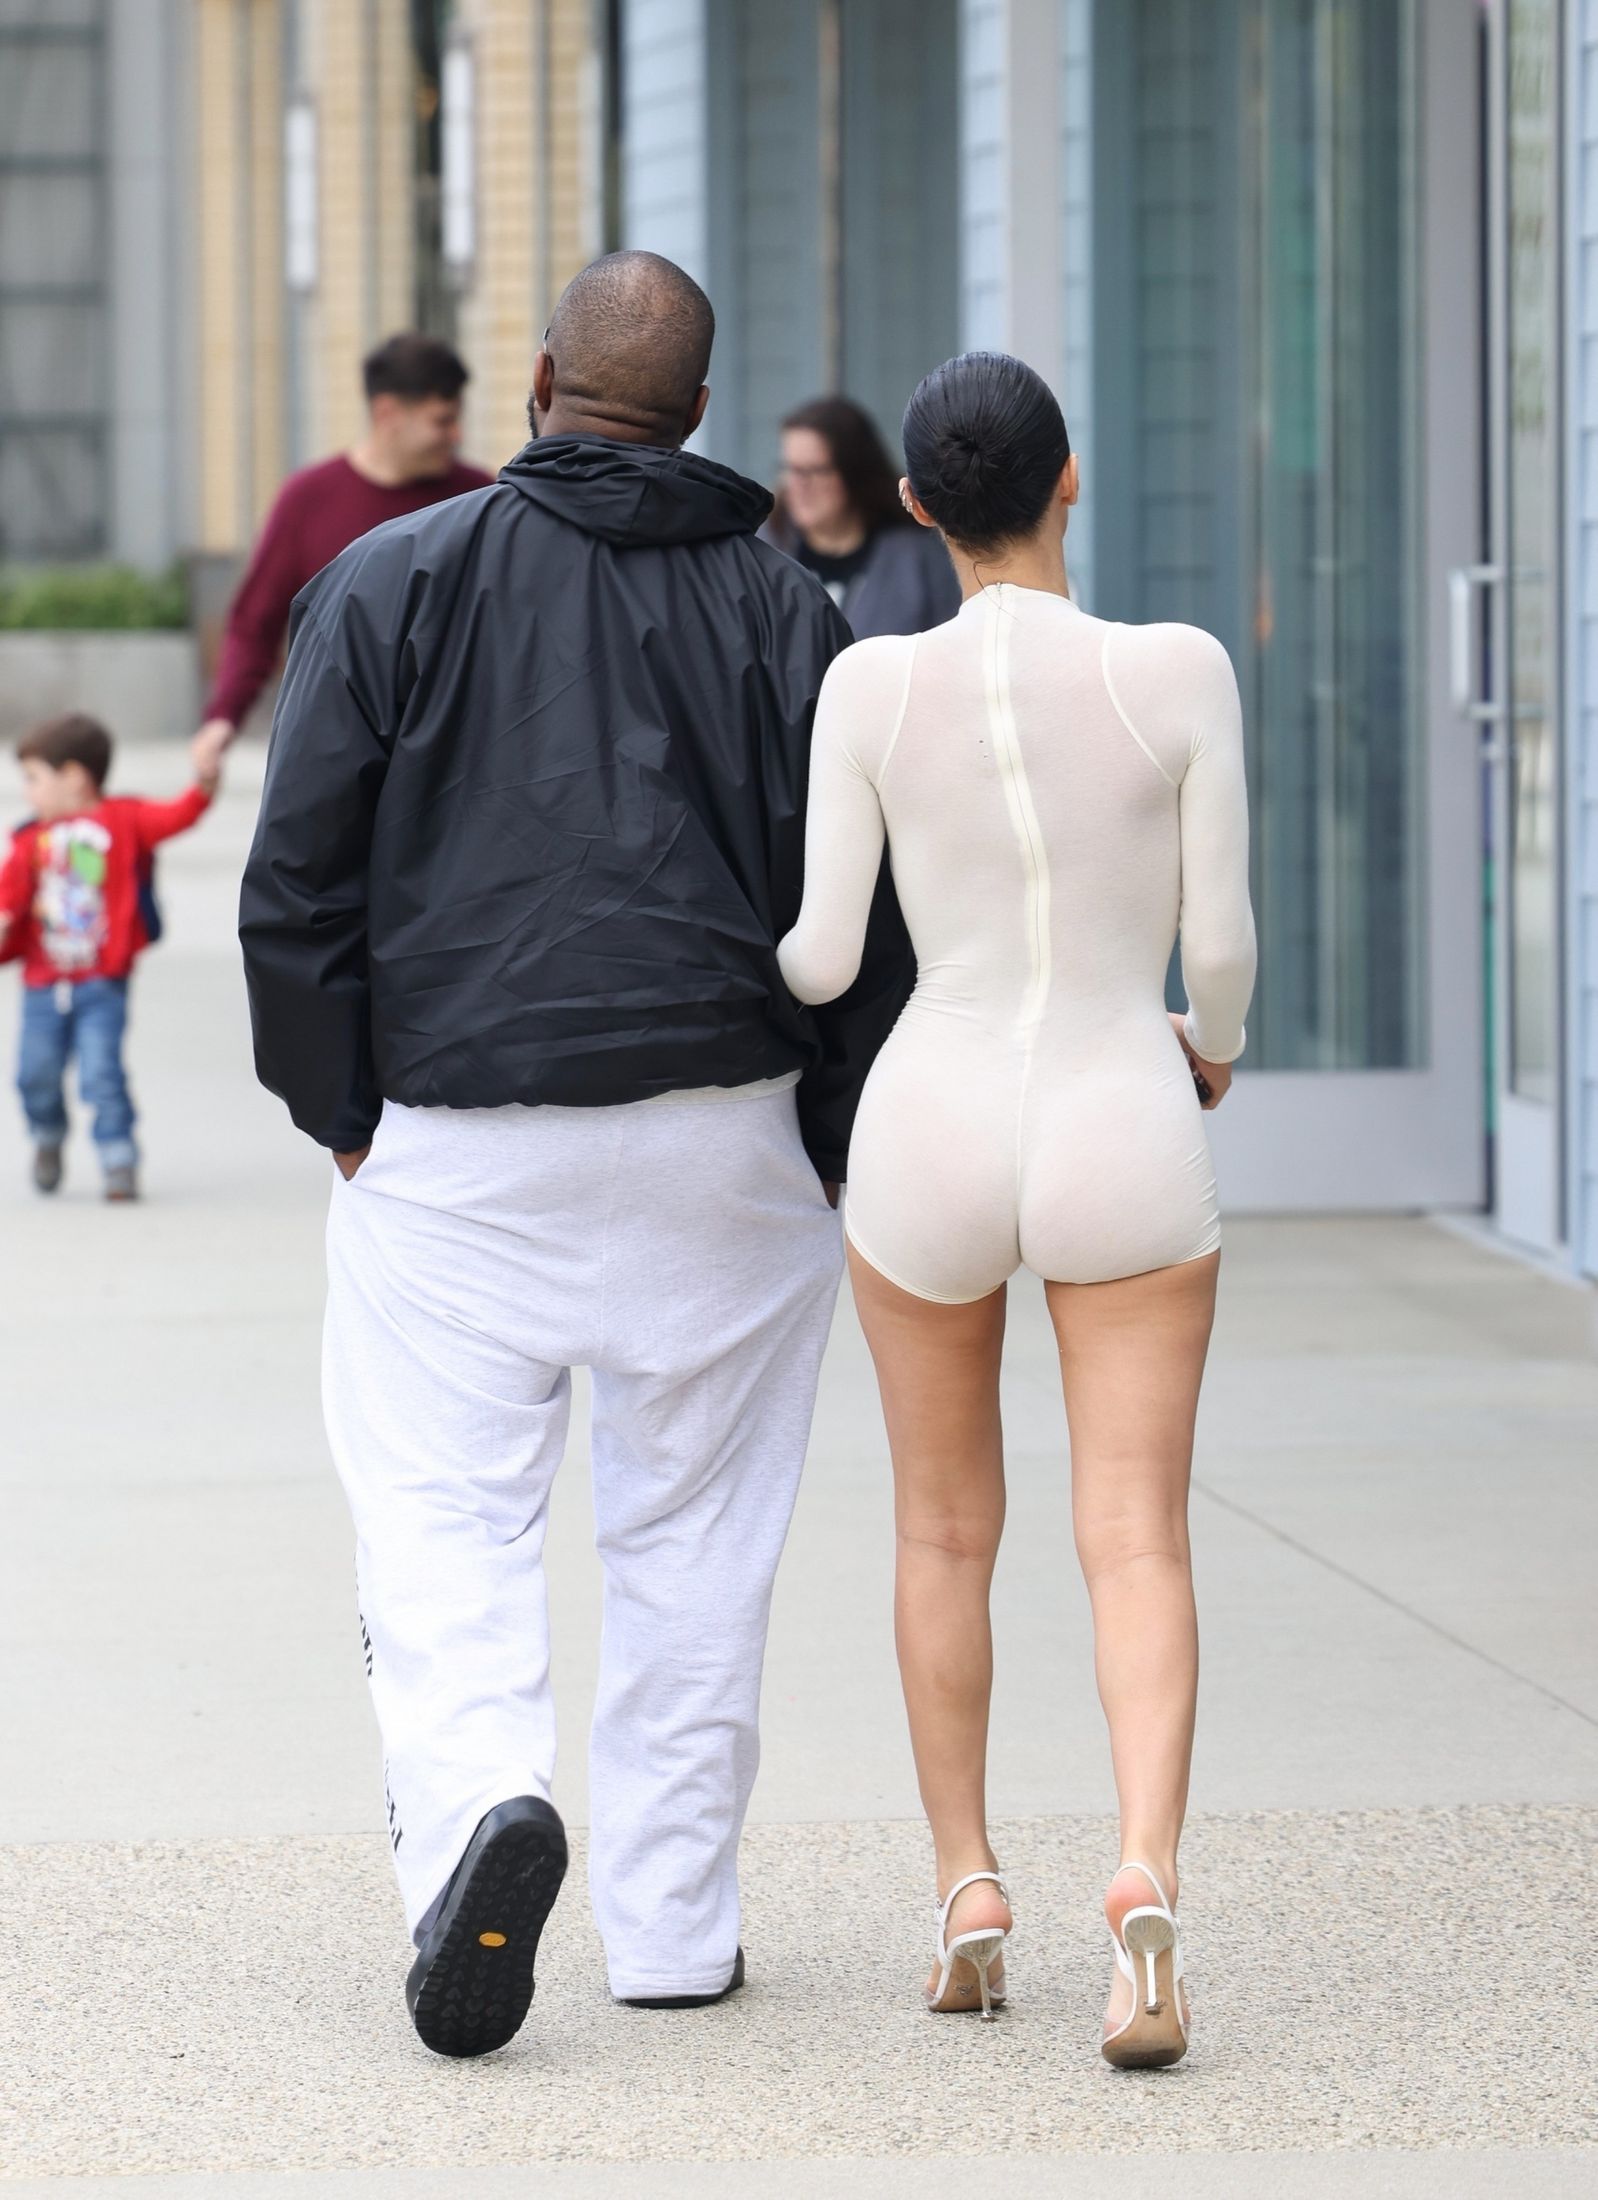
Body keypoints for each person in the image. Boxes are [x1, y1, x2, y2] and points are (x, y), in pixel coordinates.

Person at [239, 251, 911, 2058]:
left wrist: (339, 1111)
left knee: (440, 1515)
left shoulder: (392, 580)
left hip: (457, 1138)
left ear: (539, 385)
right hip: (724, 1133)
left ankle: (480, 1811)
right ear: (695, 413)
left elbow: (295, 880)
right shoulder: (789, 614)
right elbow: (867, 912)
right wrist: (830, 1138)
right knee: (700, 1541)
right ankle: (676, 1930)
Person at [777, 352, 1256, 2066]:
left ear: (911, 503)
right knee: (1134, 1536)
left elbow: (822, 958)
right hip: (1122, 1103)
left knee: (938, 1534)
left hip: (931, 1119)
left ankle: (969, 1894)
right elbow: (1220, 955)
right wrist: (1208, 1051)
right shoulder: (1176, 669)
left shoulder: (869, 684)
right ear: (1069, 479)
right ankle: (1141, 1884)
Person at [190, 333, 494, 778]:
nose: (456, 435)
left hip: (454, 753)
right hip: (336, 753)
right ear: (387, 413)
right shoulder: (308, 500)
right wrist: (223, 718)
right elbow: (255, 622)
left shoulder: (478, 497)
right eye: (442, 421)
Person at [0, 712, 220, 1201]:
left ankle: (118, 1156)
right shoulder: (29, 839)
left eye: (34, 778)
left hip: (102, 982)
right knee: (34, 1075)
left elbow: (177, 815)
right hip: (43, 985)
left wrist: (205, 782)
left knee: (102, 1073)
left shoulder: (124, 819)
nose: (27, 791)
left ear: (74, 776)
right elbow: (8, 900)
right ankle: (47, 1133)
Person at [763, 395, 960, 637]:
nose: (799, 485)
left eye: (815, 470)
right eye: (791, 469)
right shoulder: (763, 554)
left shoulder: (917, 561)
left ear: (854, 471)